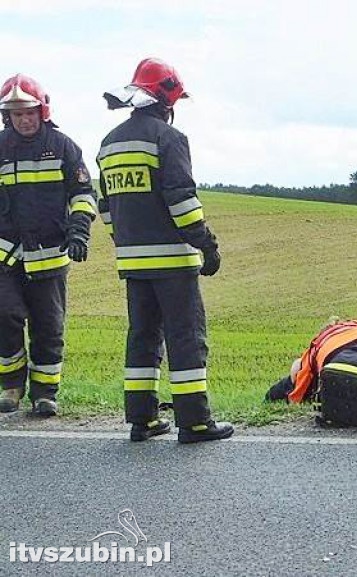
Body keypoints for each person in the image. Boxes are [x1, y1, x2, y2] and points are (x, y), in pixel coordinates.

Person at [97, 58, 232, 443]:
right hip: (173, 262)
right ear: (168, 99)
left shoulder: (109, 144)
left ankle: (143, 420)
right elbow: (181, 201)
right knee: (186, 337)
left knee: (142, 338)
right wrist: (207, 245)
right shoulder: (169, 138)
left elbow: (107, 207)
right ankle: (195, 422)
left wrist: (126, 242)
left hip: (132, 262)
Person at [0, 74, 96, 416]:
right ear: (7, 117)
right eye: (16, 114)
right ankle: (11, 386)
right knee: (5, 315)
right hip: (5, 256)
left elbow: (82, 193)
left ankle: (44, 394)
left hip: (50, 256)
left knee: (48, 328)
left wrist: (79, 231)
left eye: (29, 112)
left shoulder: (63, 146)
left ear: (42, 111)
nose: (24, 120)